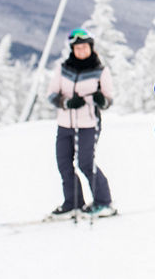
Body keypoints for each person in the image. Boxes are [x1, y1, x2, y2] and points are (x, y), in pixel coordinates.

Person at [46, 27, 116, 219]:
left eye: (85, 47)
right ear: (72, 50)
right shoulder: (63, 68)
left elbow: (109, 98)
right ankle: (73, 203)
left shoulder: (100, 70)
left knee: (86, 163)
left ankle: (104, 202)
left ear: (91, 48)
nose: (81, 51)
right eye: (77, 48)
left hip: (88, 124)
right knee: (64, 164)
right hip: (65, 124)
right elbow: (51, 94)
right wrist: (66, 102)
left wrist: (102, 100)